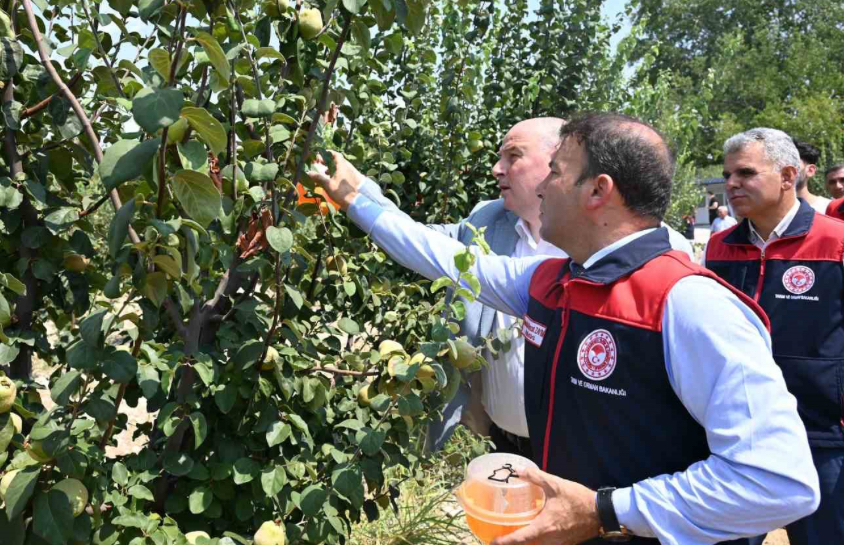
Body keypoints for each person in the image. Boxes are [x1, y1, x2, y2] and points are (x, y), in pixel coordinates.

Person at [313, 112, 818, 545]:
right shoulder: (549, 281)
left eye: (555, 172)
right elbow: (445, 258)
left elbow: (778, 481)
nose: (541, 186)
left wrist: (607, 511)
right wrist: (357, 198)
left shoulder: (688, 304)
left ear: (599, 190)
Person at [365, 117, 567, 458]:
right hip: (503, 443)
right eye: (499, 157)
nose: (496, 169)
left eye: (513, 156)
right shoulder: (488, 220)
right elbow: (418, 239)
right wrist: (355, 191)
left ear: (559, 161)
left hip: (572, 452)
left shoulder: (593, 241)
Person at [705, 128, 844, 545]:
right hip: (739, 434)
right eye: (727, 175)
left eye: (745, 173)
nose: (731, 184)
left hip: (822, 436)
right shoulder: (718, 247)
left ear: (787, 176)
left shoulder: (836, 242)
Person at [794, 140, 832, 213]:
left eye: (793, 164)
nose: (785, 169)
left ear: (810, 170)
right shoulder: (771, 211)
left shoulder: (829, 209)